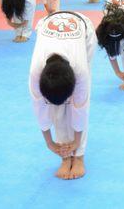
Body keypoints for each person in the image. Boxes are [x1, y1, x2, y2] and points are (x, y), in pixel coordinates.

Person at [29, 11, 96, 180]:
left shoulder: (80, 71)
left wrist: (76, 143)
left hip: (83, 30)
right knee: (57, 109)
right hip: (50, 25)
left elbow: (81, 107)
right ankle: (65, 157)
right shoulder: (36, 74)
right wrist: (50, 143)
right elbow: (40, 109)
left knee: (75, 103)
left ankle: (79, 157)